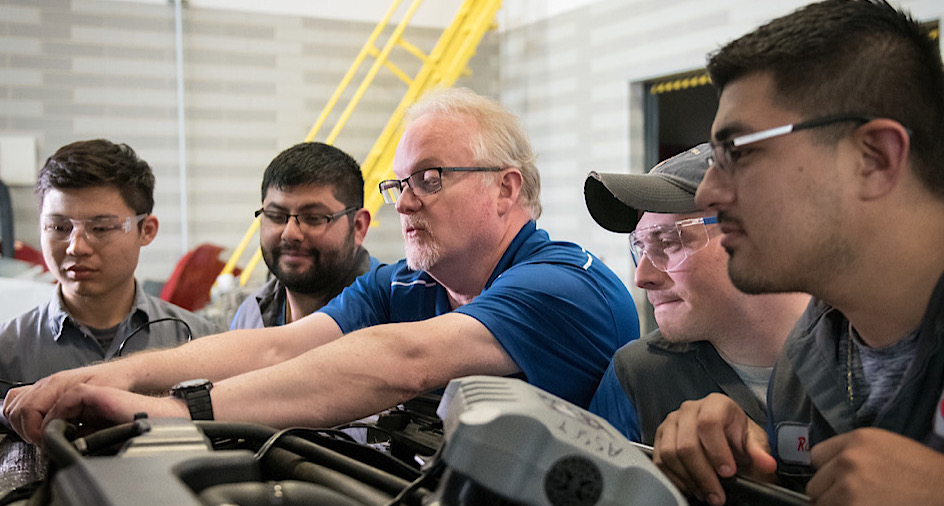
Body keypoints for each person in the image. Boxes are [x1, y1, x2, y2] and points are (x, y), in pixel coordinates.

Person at [3, 87, 639, 444]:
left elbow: (402, 362)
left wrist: (170, 412)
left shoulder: (565, 284)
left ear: (505, 189)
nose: (406, 201)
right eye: (399, 184)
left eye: (431, 177)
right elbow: (275, 349)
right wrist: (109, 379)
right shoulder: (410, 283)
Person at [653, 0, 944, 506]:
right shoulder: (809, 357)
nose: (709, 193)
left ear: (875, 158)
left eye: (736, 153)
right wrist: (754, 481)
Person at [0, 139, 222, 492]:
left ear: (146, 230)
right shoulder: (8, 351)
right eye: (58, 227)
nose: (76, 246)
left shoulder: (202, 342)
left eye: (100, 228)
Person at [584, 144, 809, 443]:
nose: (643, 277)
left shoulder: (871, 358)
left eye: (668, 242)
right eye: (640, 249)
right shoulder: (640, 376)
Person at [230, 142, 377, 329]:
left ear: (358, 226)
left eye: (313, 218)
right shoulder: (251, 316)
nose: (290, 233)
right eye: (276, 216)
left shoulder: (394, 314)